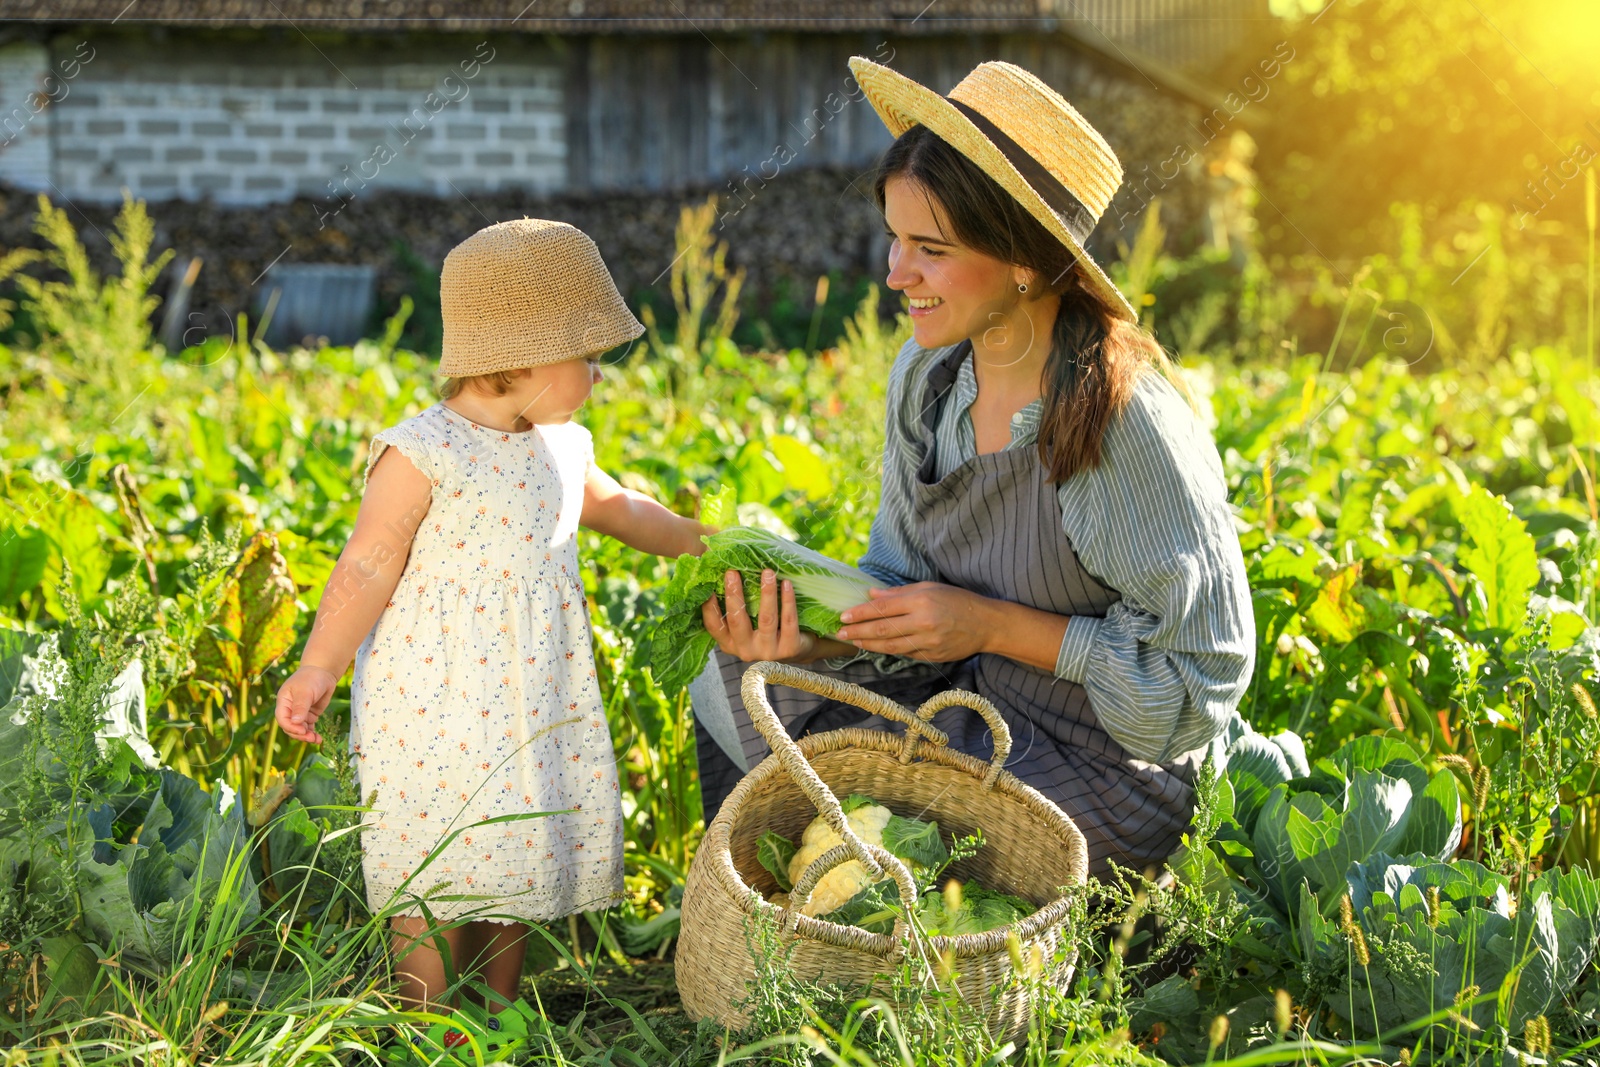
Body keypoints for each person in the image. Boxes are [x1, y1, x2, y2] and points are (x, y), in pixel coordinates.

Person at [689, 58, 1256, 881]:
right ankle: (757, 923)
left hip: (1098, 770)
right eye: (895, 237)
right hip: (961, 710)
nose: (895, 272)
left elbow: (1192, 689)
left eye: (931, 248)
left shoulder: (1127, 427)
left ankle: (841, 928)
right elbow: (904, 589)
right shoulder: (929, 380)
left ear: (1023, 260)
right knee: (739, 678)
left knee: (889, 838)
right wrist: (811, 639)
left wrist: (989, 625)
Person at [273, 219, 711, 1023]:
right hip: (434, 702)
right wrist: (318, 666)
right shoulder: (423, 450)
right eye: (587, 357)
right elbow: (366, 565)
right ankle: (428, 1019)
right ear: (525, 357)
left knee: (515, 856)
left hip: (530, 699)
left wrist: (700, 543)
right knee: (439, 863)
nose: (597, 376)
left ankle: (497, 1018)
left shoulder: (562, 446)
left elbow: (623, 509)